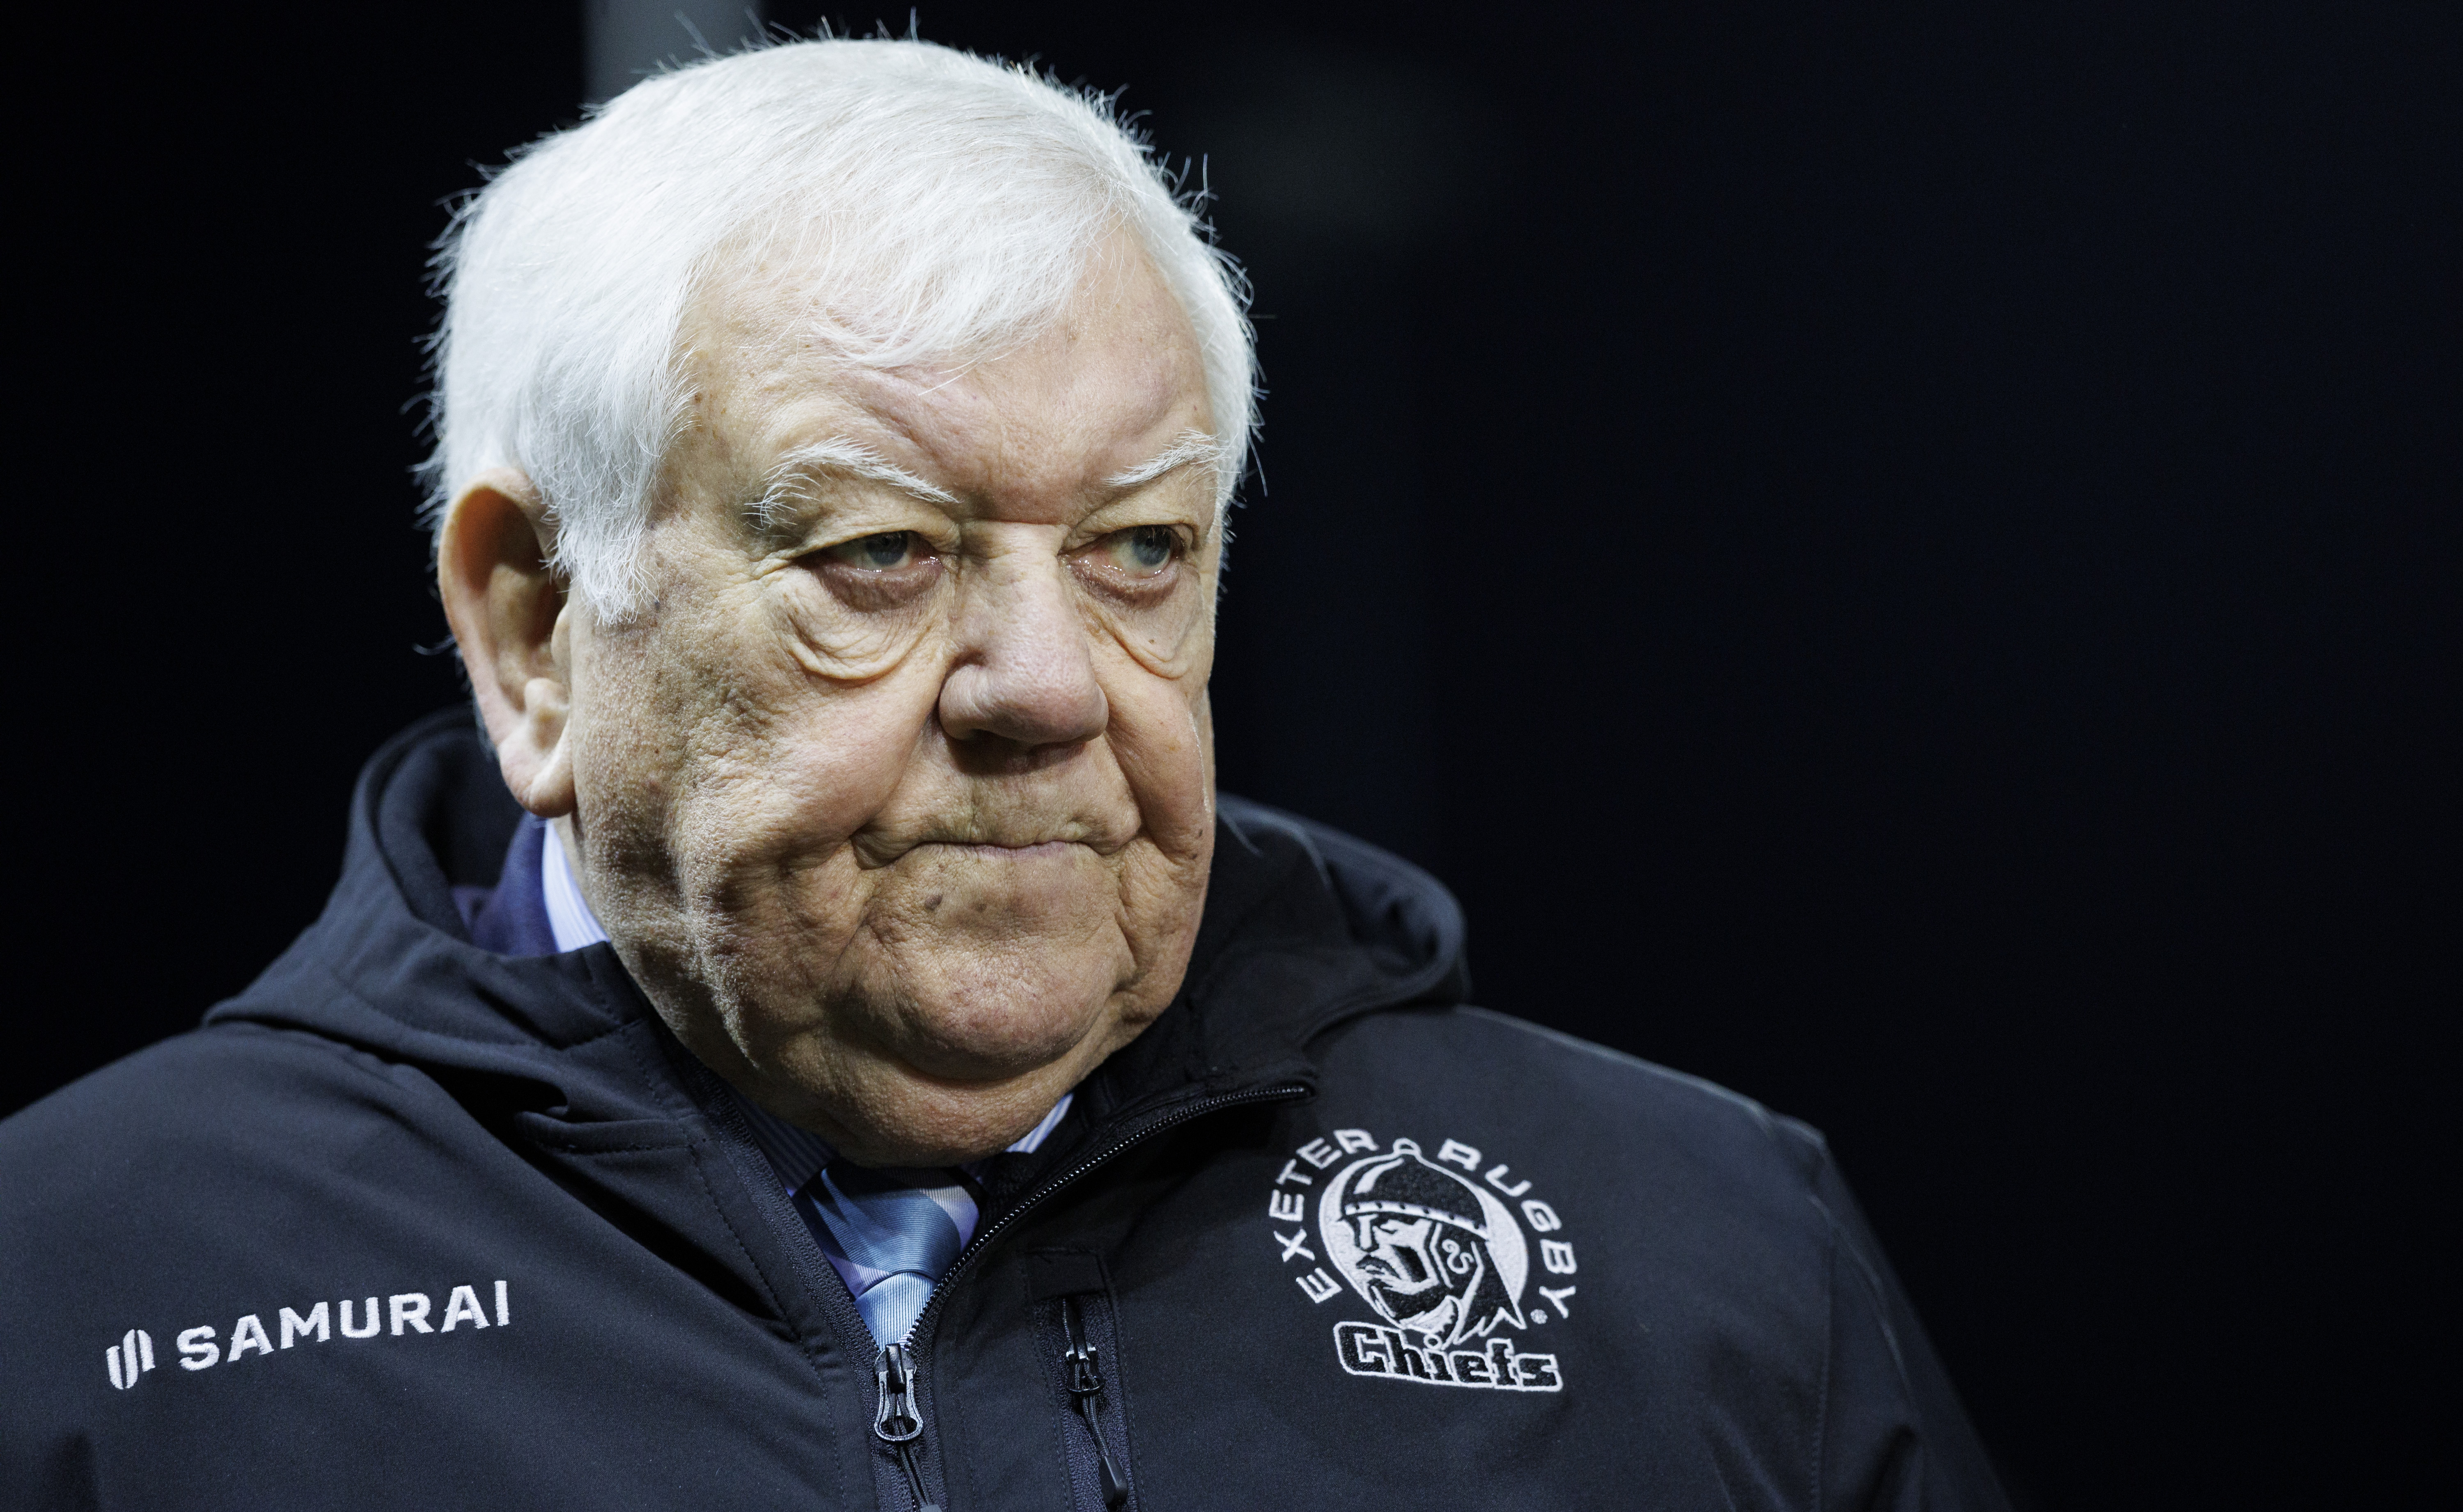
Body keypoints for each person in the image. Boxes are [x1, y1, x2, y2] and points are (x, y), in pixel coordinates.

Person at [0, 38, 2008, 1511]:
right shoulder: (81, 1294)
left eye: (1140, 549)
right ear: (533, 626)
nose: (1049, 689)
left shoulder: (1703, 1251)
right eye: (882, 556)